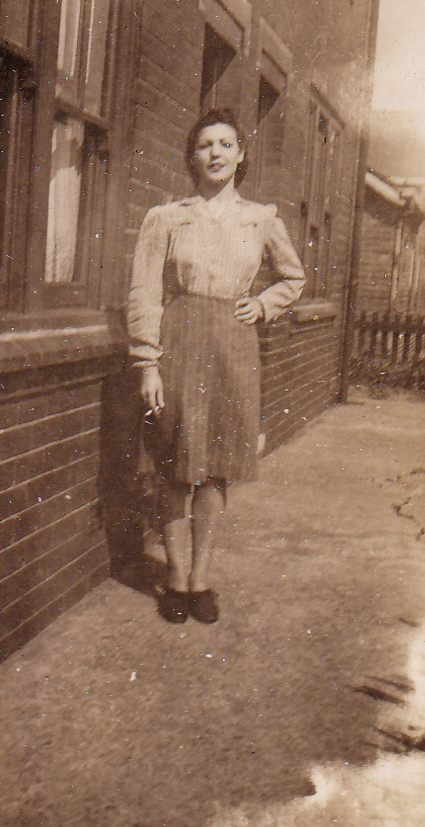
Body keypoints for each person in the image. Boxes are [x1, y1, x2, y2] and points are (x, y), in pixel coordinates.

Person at [126, 108, 305, 624]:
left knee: (217, 466)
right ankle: (176, 578)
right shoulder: (167, 218)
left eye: (226, 144)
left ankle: (202, 579)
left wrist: (264, 305)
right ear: (192, 156)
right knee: (175, 466)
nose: (216, 153)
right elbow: (143, 291)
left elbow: (292, 278)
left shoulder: (261, 219)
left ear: (241, 154)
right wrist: (148, 363)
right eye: (206, 144)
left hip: (233, 348)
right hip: (178, 343)